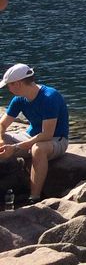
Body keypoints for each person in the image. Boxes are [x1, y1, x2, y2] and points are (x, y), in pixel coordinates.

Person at [0, 64, 70, 202]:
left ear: (18, 83)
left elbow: (47, 135)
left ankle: (34, 198)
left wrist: (14, 148)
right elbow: (2, 124)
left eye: (9, 85)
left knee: (37, 149)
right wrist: (1, 141)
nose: (8, 88)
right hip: (30, 136)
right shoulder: (19, 99)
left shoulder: (50, 97)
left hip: (56, 140)